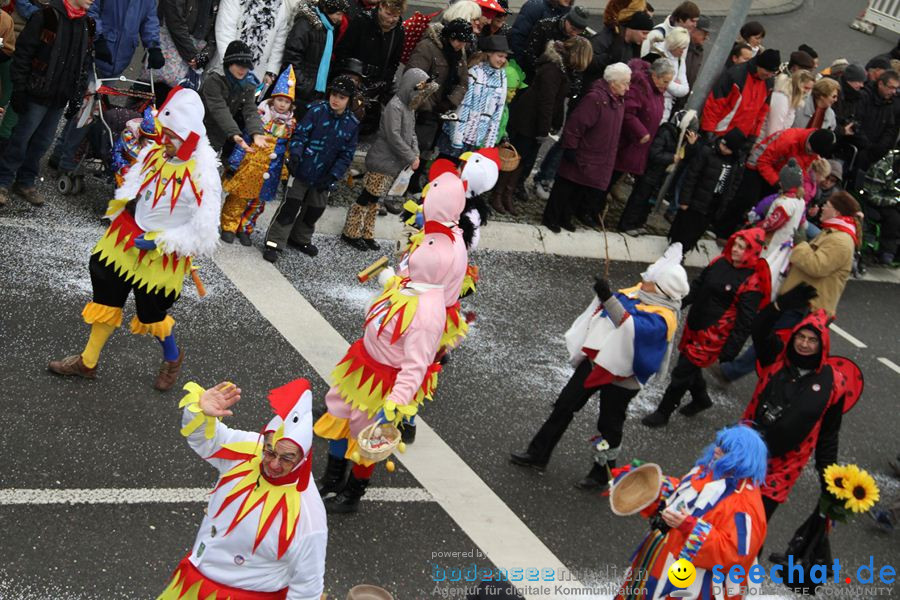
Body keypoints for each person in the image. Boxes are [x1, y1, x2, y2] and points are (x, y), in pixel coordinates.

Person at [47, 88, 222, 391]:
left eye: (171, 136)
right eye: (163, 134)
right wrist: (125, 203)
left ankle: (172, 357)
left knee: (150, 313)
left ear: (189, 139)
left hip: (164, 252)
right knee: (106, 292)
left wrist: (161, 241)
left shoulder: (203, 175)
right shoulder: (154, 153)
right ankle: (87, 362)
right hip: (129, 235)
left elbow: (205, 232)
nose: (163, 140)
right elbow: (133, 184)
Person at [314, 206, 461, 513]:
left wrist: (394, 404)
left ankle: (352, 494)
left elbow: (416, 365)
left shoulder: (427, 312)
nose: (413, 248)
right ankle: (331, 478)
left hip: (383, 383)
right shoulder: (411, 283)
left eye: (421, 247)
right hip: (360, 366)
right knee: (338, 419)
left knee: (369, 440)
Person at [510, 244, 689, 491]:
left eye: (649, 279)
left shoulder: (663, 317)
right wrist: (606, 296)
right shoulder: (642, 293)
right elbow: (619, 306)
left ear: (661, 289)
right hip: (599, 361)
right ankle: (537, 453)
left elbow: (629, 326)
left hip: (623, 378)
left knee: (609, 425)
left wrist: (607, 297)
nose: (643, 279)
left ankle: (602, 472)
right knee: (565, 404)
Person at [157, 379, 326, 598]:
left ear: (304, 457)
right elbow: (205, 441)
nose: (274, 464)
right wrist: (201, 413)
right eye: (270, 452)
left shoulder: (309, 515)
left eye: (287, 458)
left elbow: (307, 588)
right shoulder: (249, 450)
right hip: (192, 583)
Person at [713, 192, 862, 386]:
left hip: (808, 303)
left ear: (837, 211)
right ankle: (762, 380)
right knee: (774, 339)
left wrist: (800, 245)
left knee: (773, 339)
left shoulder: (841, 241)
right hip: (799, 297)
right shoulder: (833, 233)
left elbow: (817, 266)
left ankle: (734, 373)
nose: (823, 208)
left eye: (827, 205)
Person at [742, 294, 862, 520]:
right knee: (721, 518)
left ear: (823, 344)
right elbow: (759, 328)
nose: (804, 344)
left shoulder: (834, 383)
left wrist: (830, 484)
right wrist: (779, 306)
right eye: (801, 337)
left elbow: (828, 434)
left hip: (783, 468)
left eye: (812, 340)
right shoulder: (776, 358)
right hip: (745, 452)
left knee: (753, 527)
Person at [613, 425, 768, 600]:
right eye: (719, 443)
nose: (716, 449)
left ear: (742, 458)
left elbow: (734, 557)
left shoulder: (746, 506)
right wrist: (649, 486)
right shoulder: (707, 471)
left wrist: (690, 527)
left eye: (725, 449)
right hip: (657, 562)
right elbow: (681, 493)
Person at [642, 230, 769, 428]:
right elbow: (698, 286)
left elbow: (745, 323)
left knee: (682, 371)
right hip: (695, 325)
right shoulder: (719, 262)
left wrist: (730, 351)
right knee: (688, 362)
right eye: (735, 244)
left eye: (742, 247)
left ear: (752, 251)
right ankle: (701, 398)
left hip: (714, 335)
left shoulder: (752, 282)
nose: (735, 249)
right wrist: (676, 303)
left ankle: (663, 412)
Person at [48, 0, 164, 176]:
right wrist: (98, 36)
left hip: (117, 60)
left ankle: (61, 152)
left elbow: (149, 20)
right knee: (88, 109)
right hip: (95, 53)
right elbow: (92, 8)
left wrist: (154, 46)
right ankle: (66, 160)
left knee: (87, 108)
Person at [0, 0, 93, 207]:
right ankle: (3, 180)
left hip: (59, 96)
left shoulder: (87, 24)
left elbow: (83, 63)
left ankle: (26, 181)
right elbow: (23, 53)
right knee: (20, 138)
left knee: (42, 142)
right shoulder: (46, 16)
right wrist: (20, 89)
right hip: (36, 92)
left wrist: (77, 96)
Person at [264, 75, 360, 263]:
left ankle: (299, 239)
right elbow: (300, 134)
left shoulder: (352, 123)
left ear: (348, 100)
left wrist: (334, 175)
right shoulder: (316, 111)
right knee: (290, 207)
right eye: (334, 94)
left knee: (314, 209)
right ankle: (274, 243)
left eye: (342, 97)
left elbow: (347, 154)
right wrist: (296, 155)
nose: (336, 99)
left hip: (325, 175)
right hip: (302, 169)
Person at [492, 36, 591, 215]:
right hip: (528, 120)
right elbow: (547, 102)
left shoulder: (561, 68)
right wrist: (544, 130)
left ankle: (507, 192)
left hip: (533, 121)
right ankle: (499, 193)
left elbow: (557, 101)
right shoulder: (554, 70)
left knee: (521, 160)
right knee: (514, 159)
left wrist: (554, 123)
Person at [341, 69, 437, 251]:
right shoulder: (395, 106)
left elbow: (412, 134)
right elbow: (394, 136)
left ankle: (366, 232)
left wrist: (415, 152)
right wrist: (410, 156)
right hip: (382, 161)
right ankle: (351, 231)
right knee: (368, 196)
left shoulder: (408, 107)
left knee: (375, 199)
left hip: (392, 163)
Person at [542, 62, 630, 233]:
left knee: (579, 190)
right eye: (625, 83)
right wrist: (571, 147)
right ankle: (551, 218)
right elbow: (576, 125)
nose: (628, 87)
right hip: (583, 153)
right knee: (565, 187)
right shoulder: (595, 99)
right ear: (613, 82)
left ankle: (565, 218)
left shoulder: (618, 101)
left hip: (598, 155)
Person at [220, 66, 297, 246]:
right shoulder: (260, 116)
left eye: (286, 102)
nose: (282, 105)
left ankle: (245, 228)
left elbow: (287, 149)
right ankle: (229, 226)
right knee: (238, 198)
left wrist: (284, 172)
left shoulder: (291, 125)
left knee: (256, 204)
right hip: (250, 166)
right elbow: (245, 139)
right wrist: (234, 162)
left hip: (270, 172)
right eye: (279, 100)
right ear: (272, 100)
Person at [715, 127, 835, 239]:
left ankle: (748, 236)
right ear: (809, 143)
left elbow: (801, 169)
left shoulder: (813, 153)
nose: (811, 154)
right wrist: (778, 182)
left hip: (779, 172)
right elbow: (763, 161)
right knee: (748, 198)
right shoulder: (789, 139)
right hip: (758, 164)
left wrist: (793, 187)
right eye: (810, 151)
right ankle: (722, 230)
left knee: (770, 206)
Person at [404, 18, 473, 192]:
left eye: (463, 41)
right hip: (422, 109)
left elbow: (463, 82)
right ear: (447, 36)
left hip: (441, 111)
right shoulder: (427, 48)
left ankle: (414, 180)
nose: (459, 45)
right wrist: (426, 106)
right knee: (413, 148)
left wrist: (450, 102)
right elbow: (415, 78)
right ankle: (400, 184)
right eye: (457, 40)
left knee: (429, 148)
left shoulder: (460, 53)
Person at [608, 58, 671, 225]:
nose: (667, 86)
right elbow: (628, 113)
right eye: (665, 81)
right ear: (656, 76)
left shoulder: (657, 91)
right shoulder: (641, 87)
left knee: (614, 177)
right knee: (608, 178)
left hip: (637, 147)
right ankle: (590, 209)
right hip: (627, 142)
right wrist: (641, 132)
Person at [618, 109, 698, 235]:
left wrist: (691, 145)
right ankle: (626, 224)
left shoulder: (682, 140)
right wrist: (672, 158)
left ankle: (639, 223)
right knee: (639, 199)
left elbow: (688, 158)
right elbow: (654, 153)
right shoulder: (666, 132)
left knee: (649, 201)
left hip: (661, 175)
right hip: (650, 172)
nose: (692, 134)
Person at [668, 128, 746, 253]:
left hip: (712, 205)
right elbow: (692, 176)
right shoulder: (707, 152)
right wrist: (685, 200)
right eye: (723, 145)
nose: (723, 149)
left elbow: (734, 184)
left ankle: (683, 252)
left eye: (728, 148)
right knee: (683, 228)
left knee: (696, 232)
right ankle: (673, 250)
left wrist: (726, 201)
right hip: (695, 200)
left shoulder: (736, 163)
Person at [437, 34, 508, 159]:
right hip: (460, 133)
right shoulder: (475, 72)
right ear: (489, 54)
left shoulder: (502, 77)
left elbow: (498, 111)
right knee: (447, 165)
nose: (502, 60)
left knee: (465, 173)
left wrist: (488, 144)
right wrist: (457, 138)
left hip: (477, 138)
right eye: (500, 56)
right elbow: (463, 106)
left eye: (505, 57)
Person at [335, 0, 406, 110]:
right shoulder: (362, 20)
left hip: (376, 88)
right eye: (388, 14)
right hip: (353, 81)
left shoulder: (399, 31)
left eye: (396, 16)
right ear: (381, 6)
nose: (391, 19)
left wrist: (385, 83)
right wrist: (349, 74)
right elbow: (343, 50)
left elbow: (394, 62)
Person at [199, 40, 268, 153]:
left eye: (246, 66)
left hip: (218, 134)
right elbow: (219, 108)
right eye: (239, 65)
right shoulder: (215, 79)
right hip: (198, 125)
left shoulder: (249, 84)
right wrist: (234, 132)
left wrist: (257, 132)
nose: (243, 70)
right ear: (229, 63)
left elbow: (250, 109)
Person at [755, 158, 809, 299]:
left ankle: (757, 296)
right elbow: (802, 221)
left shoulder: (784, 203)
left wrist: (757, 227)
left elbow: (772, 223)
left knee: (765, 270)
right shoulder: (800, 201)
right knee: (776, 272)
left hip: (773, 243)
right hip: (786, 245)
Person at [282, 0, 349, 111]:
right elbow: (292, 56)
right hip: (297, 91)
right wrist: (303, 85)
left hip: (312, 93)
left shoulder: (328, 29)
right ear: (327, 9)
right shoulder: (306, 24)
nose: (340, 19)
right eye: (338, 14)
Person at [701, 48, 780, 140]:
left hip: (741, 139)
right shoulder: (736, 74)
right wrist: (708, 129)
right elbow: (716, 102)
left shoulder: (769, 82)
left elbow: (762, 112)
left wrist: (753, 136)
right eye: (767, 71)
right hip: (720, 134)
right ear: (759, 65)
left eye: (773, 73)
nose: (769, 75)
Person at [213, 0, 284, 79]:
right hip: (227, 67)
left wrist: (271, 71)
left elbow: (280, 41)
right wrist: (231, 61)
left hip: (256, 74)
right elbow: (225, 28)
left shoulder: (282, 6)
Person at [518, 6, 587, 81]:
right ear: (567, 20)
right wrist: (544, 74)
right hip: (539, 78)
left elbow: (578, 66)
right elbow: (530, 54)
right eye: (573, 29)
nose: (575, 34)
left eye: (579, 31)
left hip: (563, 83)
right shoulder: (545, 27)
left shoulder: (582, 37)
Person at [860, 149, 900, 264]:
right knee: (894, 219)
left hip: (894, 199)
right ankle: (887, 252)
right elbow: (871, 196)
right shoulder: (882, 168)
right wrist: (895, 201)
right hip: (876, 201)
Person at [761, 69, 815, 139]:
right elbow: (773, 131)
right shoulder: (781, 98)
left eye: (810, 89)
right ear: (798, 84)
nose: (807, 92)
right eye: (806, 88)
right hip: (763, 143)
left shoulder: (790, 100)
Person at [507, 0, 571, 58]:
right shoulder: (535, 6)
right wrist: (523, 64)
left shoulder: (569, 13)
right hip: (529, 62)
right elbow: (518, 36)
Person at [652, 26, 690, 121]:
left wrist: (666, 82)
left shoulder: (680, 61)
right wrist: (674, 83)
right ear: (673, 44)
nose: (683, 51)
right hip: (652, 103)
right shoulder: (655, 54)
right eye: (680, 48)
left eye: (684, 48)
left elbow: (685, 89)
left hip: (667, 108)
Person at [683, 14, 710, 91]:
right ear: (692, 30)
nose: (706, 38)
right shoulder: (681, 47)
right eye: (704, 34)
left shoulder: (699, 50)